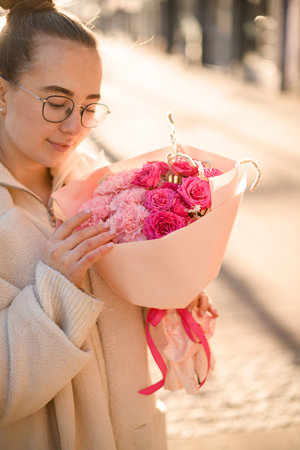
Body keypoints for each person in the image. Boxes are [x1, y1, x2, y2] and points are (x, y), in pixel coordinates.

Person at [0, 1, 217, 449]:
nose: (74, 127)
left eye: (90, 107)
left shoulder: (101, 182)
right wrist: (56, 287)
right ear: (2, 94)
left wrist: (171, 294)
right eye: (57, 103)